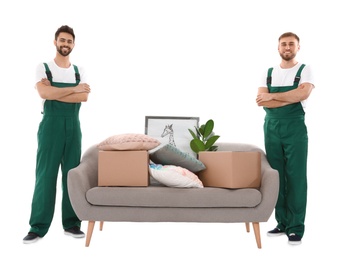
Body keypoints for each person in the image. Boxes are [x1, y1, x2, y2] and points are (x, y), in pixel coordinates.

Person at [23, 25, 91, 244]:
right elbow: (44, 93)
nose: (65, 44)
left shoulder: (79, 70)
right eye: (62, 40)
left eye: (69, 41)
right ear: (55, 42)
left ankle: (71, 224)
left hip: (74, 126)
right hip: (50, 127)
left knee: (72, 176)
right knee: (46, 175)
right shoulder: (43, 68)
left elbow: (83, 99)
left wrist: (56, 91)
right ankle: (37, 227)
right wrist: (73, 89)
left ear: (74, 44)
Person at [256, 32, 315, 245]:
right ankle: (282, 222)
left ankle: (296, 226)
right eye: (284, 44)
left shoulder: (305, 70)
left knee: (296, 177)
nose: (287, 47)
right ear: (278, 48)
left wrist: (272, 95)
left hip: (295, 128)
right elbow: (262, 102)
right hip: (271, 128)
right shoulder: (268, 72)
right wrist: (287, 97)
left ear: (298, 47)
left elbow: (303, 95)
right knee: (276, 176)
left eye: (291, 44)